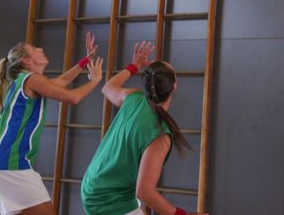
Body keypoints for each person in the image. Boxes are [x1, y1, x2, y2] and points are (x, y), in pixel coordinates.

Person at [0, 32, 104, 215]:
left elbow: (60, 82)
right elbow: (72, 97)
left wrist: (85, 61)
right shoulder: (31, 79)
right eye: (34, 49)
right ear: (27, 62)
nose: (41, 48)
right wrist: (96, 81)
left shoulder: (25, 80)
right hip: (9, 164)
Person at [81, 41, 207, 215]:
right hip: (107, 201)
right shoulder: (160, 136)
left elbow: (107, 87)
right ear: (174, 85)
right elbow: (145, 192)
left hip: (93, 185)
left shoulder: (133, 97)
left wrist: (134, 66)